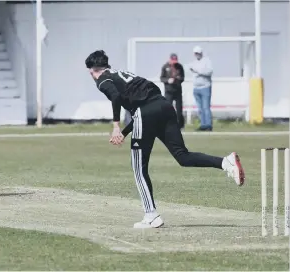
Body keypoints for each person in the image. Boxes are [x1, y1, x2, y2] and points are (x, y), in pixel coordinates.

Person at [85, 50, 245, 228]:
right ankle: (225, 163)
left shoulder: (103, 79)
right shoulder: (122, 74)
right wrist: (125, 132)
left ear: (94, 69)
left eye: (90, 72)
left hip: (146, 113)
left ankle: (151, 215)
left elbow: (118, 98)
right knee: (182, 156)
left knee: (138, 167)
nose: (91, 76)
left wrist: (116, 127)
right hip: (164, 106)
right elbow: (143, 105)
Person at [188, 46, 213, 131]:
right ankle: (203, 125)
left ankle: (208, 125)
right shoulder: (194, 62)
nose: (197, 55)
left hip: (205, 87)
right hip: (196, 88)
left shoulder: (207, 61)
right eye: (195, 53)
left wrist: (198, 71)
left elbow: (209, 72)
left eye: (198, 53)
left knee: (206, 107)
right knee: (200, 108)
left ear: (201, 53)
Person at [160, 53, 185, 129]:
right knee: (167, 108)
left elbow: (183, 78)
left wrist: (178, 78)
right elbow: (161, 78)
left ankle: (180, 125)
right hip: (169, 91)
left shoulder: (180, 67)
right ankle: (167, 124)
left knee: (179, 109)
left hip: (177, 91)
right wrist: (168, 80)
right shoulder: (165, 67)